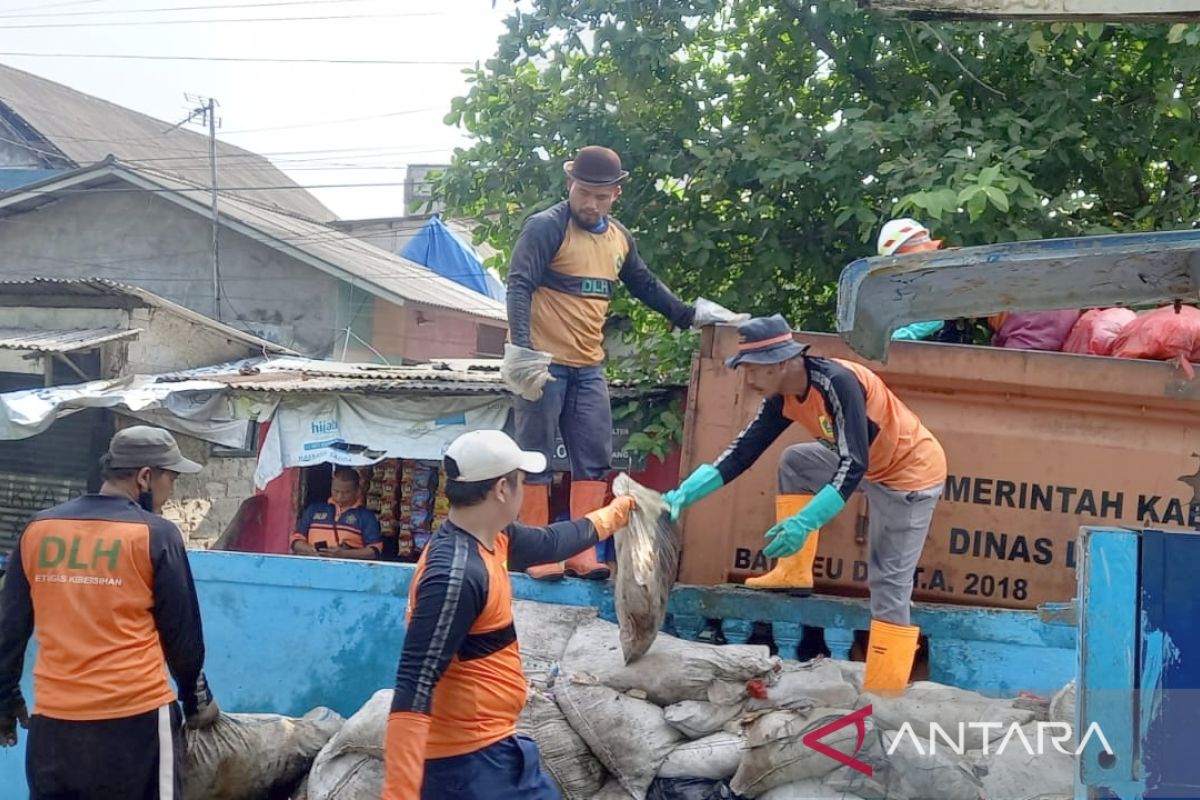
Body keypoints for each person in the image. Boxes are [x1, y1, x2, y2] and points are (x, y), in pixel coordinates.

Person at [663, 316, 947, 694]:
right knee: (796, 461)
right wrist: (685, 493)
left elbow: (853, 464)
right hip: (868, 464)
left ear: (781, 363)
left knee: (888, 585)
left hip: (908, 475)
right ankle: (793, 572)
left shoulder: (838, 383)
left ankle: (886, 694)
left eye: (751, 370)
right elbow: (742, 453)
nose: (747, 380)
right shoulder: (781, 398)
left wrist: (803, 522)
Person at [503, 144, 744, 581]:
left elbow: (644, 284)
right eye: (583, 193)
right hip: (542, 364)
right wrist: (522, 352)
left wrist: (689, 314)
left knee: (593, 458)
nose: (590, 203)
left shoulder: (618, 238)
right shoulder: (545, 228)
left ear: (616, 193)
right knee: (534, 457)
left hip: (588, 367)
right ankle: (536, 554)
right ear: (570, 184)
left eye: (600, 195)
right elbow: (519, 285)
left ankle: (581, 551)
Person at [381, 429, 635, 800]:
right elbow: (413, 683)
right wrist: (399, 794)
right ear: (502, 489)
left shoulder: (492, 540)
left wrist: (617, 513)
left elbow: (552, 542)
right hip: (465, 766)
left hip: (495, 749)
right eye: (522, 481)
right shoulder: (456, 574)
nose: (524, 489)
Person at [0, 425, 219, 799]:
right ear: (145, 477)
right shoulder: (156, 535)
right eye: (172, 477)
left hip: (54, 726)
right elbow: (183, 640)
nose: (173, 491)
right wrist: (196, 699)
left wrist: (6, 699)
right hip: (136, 724)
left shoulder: (39, 529)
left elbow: (9, 628)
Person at [290, 466, 383, 560]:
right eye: (335, 491)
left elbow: (375, 550)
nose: (339, 496)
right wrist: (311, 550)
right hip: (313, 567)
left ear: (357, 491)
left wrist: (345, 554)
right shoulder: (314, 510)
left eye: (345, 493)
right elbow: (296, 541)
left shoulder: (366, 516)